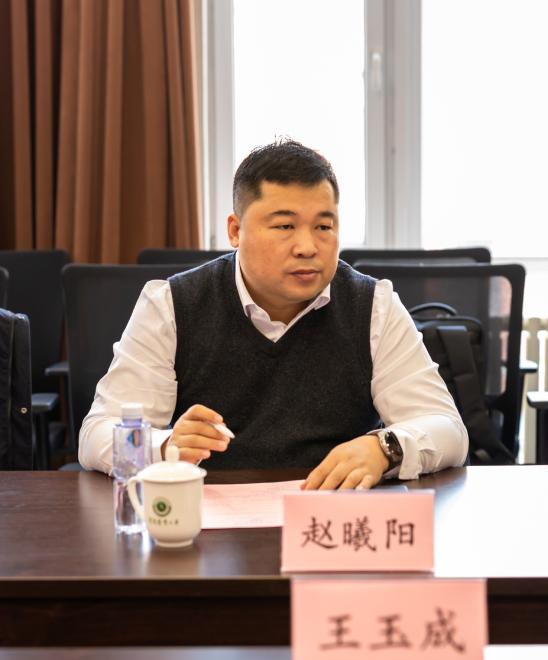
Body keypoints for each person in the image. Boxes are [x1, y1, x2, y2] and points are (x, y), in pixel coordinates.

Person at [80, 140, 468, 489]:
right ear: (235, 231)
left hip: (331, 518)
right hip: (210, 525)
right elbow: (98, 434)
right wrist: (164, 446)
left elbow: (448, 429)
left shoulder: (374, 305)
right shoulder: (172, 304)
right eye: (285, 225)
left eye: (324, 226)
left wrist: (385, 447)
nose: (307, 246)